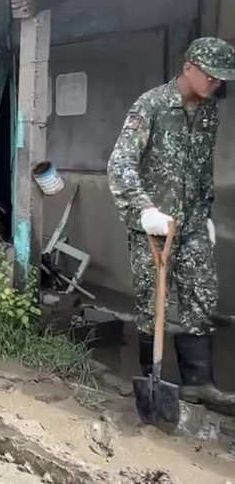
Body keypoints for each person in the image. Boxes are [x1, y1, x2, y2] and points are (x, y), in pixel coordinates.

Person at [108, 37, 235, 413]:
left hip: (192, 222)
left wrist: (206, 213)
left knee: (201, 295)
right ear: (189, 67)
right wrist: (145, 208)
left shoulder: (210, 110)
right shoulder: (151, 105)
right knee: (154, 302)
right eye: (211, 77)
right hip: (153, 225)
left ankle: (199, 383)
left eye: (222, 79)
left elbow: (202, 168)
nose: (216, 85)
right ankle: (154, 377)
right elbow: (120, 164)